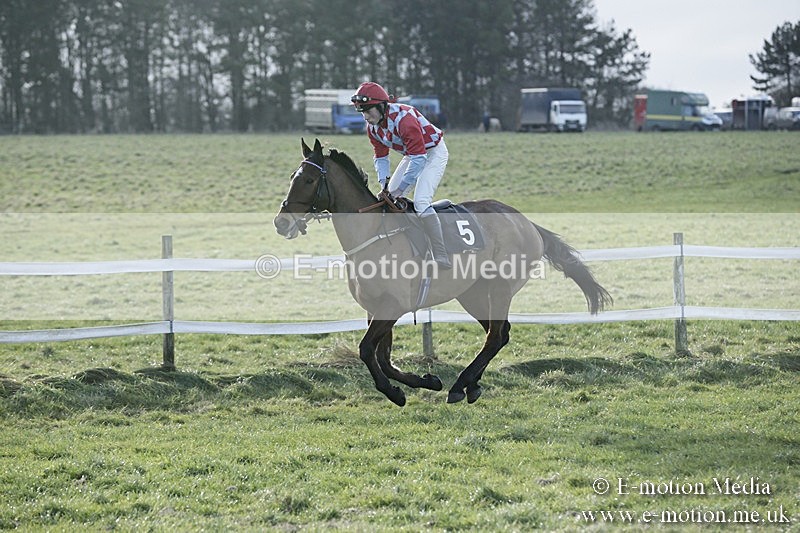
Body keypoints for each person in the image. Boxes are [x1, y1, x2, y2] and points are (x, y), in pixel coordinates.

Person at [350, 81, 451, 269]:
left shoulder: (404, 121)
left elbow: (420, 159)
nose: (365, 117)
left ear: (382, 106)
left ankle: (441, 254)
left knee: (421, 202)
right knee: (389, 198)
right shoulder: (372, 128)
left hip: (433, 153)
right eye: (362, 112)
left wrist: (401, 188)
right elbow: (381, 157)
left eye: (368, 111)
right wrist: (384, 185)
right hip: (413, 155)